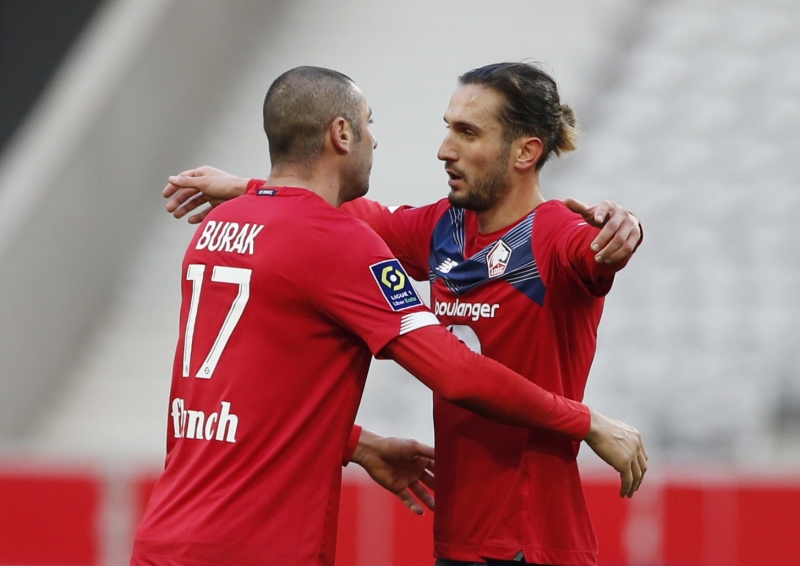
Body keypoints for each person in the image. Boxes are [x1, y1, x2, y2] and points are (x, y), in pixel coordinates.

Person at [133, 66, 645, 566]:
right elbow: (324, 212)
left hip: (529, 536)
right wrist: (254, 188)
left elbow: (596, 253)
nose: (444, 149)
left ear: (525, 152)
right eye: (448, 128)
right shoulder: (442, 228)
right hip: (457, 535)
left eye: (467, 133)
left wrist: (624, 232)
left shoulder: (557, 234)